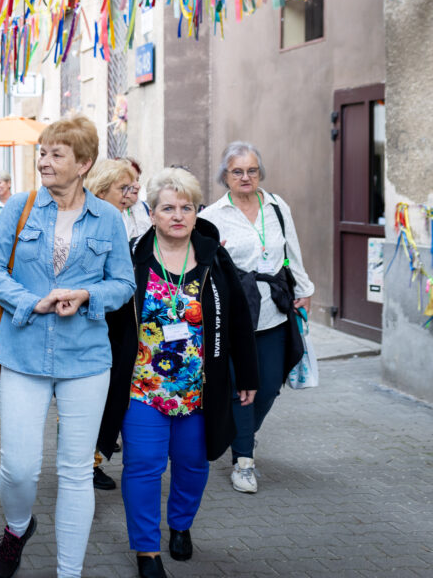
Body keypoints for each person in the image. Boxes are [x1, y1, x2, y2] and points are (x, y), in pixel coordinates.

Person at [0, 115, 136, 578]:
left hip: (86, 358)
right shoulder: (21, 206)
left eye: (56, 154)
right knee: (18, 468)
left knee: (75, 471)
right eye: (42, 153)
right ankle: (17, 527)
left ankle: (70, 572)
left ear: (83, 163)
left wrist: (87, 295)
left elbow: (124, 283)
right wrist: (32, 301)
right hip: (23, 354)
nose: (44, 162)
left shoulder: (108, 218)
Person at [97, 168, 258, 578]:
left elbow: (239, 318)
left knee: (192, 466)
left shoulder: (213, 257)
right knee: (143, 467)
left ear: (196, 212)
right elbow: (109, 321)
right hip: (142, 387)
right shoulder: (132, 258)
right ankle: (147, 550)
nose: (178, 216)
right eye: (168, 208)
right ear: (151, 213)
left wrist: (248, 374)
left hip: (198, 389)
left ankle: (181, 525)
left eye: (187, 208)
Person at [200, 142, 314, 494]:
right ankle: (244, 461)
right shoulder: (212, 217)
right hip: (236, 315)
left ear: (260, 172)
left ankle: (244, 434)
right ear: (225, 176)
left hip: (274, 310)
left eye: (252, 170)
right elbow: (206, 269)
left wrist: (304, 289)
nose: (245, 177)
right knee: (240, 390)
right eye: (237, 171)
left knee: (268, 388)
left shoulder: (277, 206)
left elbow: (292, 249)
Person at [82, 157, 146, 492]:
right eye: (123, 188)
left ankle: (94, 456)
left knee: (112, 390)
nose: (129, 194)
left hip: (122, 315)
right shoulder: (88, 219)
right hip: (92, 314)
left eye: (132, 188)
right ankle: (84, 463)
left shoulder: (130, 215)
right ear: (102, 188)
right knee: (87, 393)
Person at [123, 158, 154, 240]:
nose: (138, 186)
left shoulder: (147, 209)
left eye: (137, 180)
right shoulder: (107, 213)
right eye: (131, 180)